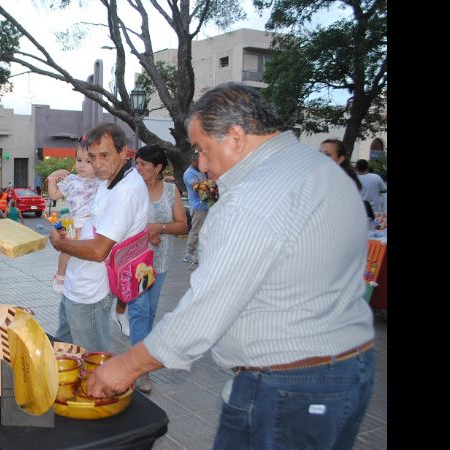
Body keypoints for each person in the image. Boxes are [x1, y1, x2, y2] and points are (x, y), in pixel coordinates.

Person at [87, 82, 375, 450]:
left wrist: (125, 367)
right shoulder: (321, 169)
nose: (202, 165)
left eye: (203, 150)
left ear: (236, 137)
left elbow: (204, 311)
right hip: (349, 369)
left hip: (290, 387)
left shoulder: (252, 198)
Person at [49, 123, 149, 352]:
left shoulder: (125, 191)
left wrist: (60, 243)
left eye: (104, 155)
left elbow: (98, 251)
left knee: (90, 362)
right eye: (92, 156)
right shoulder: (111, 180)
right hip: (78, 283)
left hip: (91, 292)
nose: (97, 163)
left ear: (123, 151)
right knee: (63, 352)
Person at [127, 145, 187, 393]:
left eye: (143, 164)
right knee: (139, 311)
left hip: (159, 263)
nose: (138, 168)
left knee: (150, 312)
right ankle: (138, 369)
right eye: (137, 163)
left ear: (158, 167)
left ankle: (140, 358)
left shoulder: (170, 191)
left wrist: (158, 228)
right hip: (134, 262)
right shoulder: (130, 189)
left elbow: (182, 225)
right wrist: (143, 232)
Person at [46, 142, 103, 294]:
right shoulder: (71, 180)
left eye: (88, 161)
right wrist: (52, 178)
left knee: (88, 255)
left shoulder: (102, 181)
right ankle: (60, 275)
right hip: (73, 221)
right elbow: (54, 195)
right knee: (67, 249)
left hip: (92, 223)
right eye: (79, 160)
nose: (82, 165)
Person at [320, 139, 375, 223]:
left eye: (327, 154)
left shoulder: (343, 181)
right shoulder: (319, 177)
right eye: (319, 152)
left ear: (340, 159)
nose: (321, 157)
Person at [182, 151, 208, 265]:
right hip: (198, 206)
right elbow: (196, 187)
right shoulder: (189, 173)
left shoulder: (200, 171)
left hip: (206, 204)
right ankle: (189, 253)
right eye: (200, 162)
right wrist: (210, 185)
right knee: (196, 230)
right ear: (193, 161)